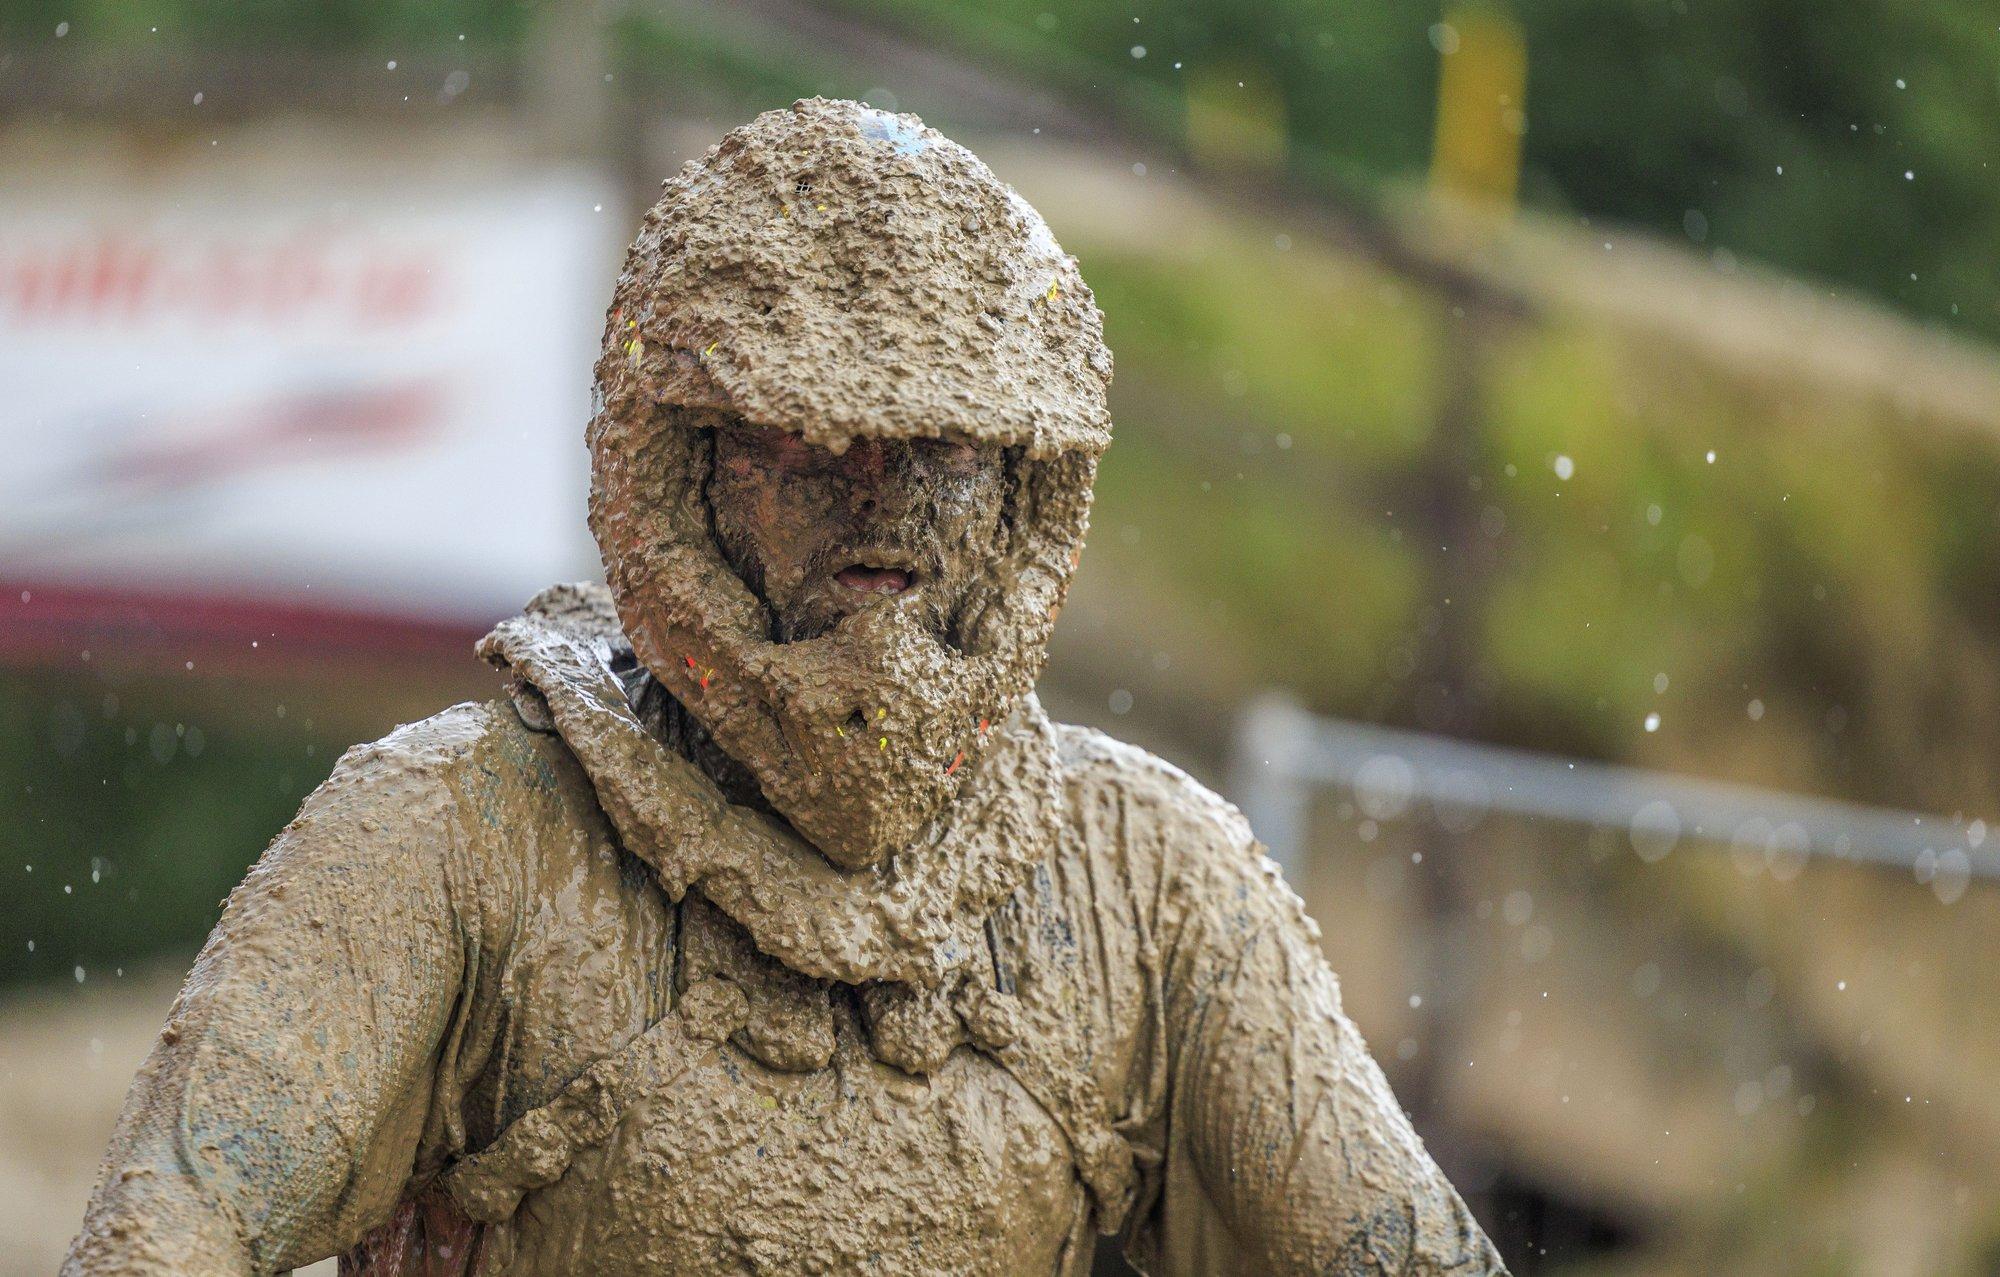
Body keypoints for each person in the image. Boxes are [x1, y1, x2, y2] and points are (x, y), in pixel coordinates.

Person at [66, 99, 1505, 1276]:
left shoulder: (1151, 883)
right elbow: (168, 1227)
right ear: (681, 465)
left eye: (941, 451)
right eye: (810, 444)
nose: (878, 502)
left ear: (1022, 489)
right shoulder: (452, 834)